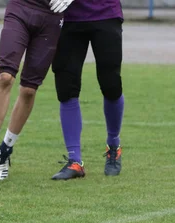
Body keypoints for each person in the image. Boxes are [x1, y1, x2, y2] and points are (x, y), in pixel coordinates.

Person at [0, 0, 74, 180]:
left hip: (50, 15)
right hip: (20, 7)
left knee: (29, 90)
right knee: (5, 77)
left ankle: (5, 151)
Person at [50, 0, 125, 180]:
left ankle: (113, 146)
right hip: (67, 17)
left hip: (105, 12)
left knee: (111, 85)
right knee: (66, 87)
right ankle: (75, 161)